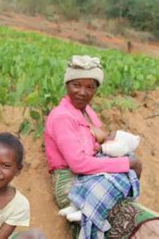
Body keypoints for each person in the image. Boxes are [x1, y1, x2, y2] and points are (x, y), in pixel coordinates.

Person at [44, 55, 159, 238]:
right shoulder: (62, 117)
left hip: (92, 174)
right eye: (76, 85)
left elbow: (98, 145)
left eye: (90, 87)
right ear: (67, 85)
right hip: (71, 182)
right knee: (124, 207)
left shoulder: (87, 112)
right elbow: (78, 164)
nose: (82, 92)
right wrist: (125, 164)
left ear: (96, 89)